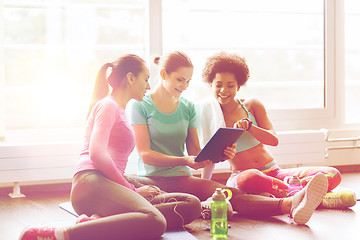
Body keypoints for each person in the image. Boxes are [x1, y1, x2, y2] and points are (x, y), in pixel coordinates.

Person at [127, 50, 330, 225]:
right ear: (163, 74)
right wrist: (185, 161)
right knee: (201, 202)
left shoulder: (188, 107)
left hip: (182, 177)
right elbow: (145, 155)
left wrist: (220, 154)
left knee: (226, 194)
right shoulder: (140, 105)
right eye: (180, 80)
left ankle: (290, 203)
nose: (184, 86)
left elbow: (195, 153)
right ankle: (294, 196)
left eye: (188, 81)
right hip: (153, 177)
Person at [19, 54, 201, 240]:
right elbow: (97, 154)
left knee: (190, 203)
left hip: (108, 181)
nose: (148, 86)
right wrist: (133, 190)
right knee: (156, 221)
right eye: (145, 79)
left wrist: (133, 188)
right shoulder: (108, 106)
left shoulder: (118, 109)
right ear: (130, 78)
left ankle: (99, 222)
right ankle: (55, 234)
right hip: (91, 182)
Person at [197, 51, 356, 209]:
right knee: (247, 179)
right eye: (218, 84)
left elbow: (274, 140)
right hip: (244, 177)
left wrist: (250, 128)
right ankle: (313, 196)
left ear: (239, 86)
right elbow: (208, 157)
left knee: (333, 174)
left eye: (230, 85)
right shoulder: (210, 115)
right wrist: (204, 190)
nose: (224, 90)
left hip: (274, 174)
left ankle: (294, 195)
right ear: (210, 84)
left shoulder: (252, 105)